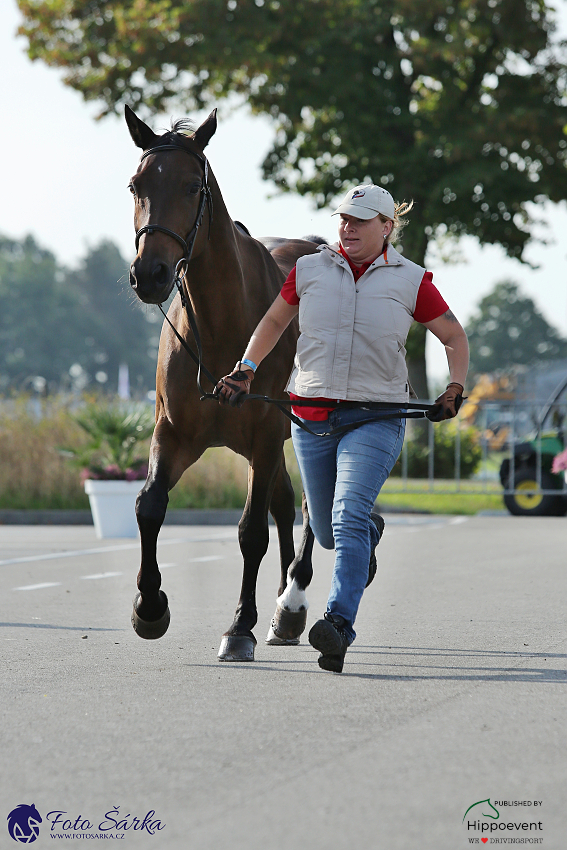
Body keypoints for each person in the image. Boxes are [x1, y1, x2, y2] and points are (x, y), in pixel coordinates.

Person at [216, 184, 469, 673]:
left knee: (348, 515)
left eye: (360, 220)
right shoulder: (310, 270)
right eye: (343, 219)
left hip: (375, 418)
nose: (347, 227)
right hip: (312, 420)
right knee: (330, 532)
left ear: (386, 227)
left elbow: (453, 335)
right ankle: (367, 536)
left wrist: (454, 388)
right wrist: (246, 367)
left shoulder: (411, 280)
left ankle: (338, 624)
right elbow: (272, 321)